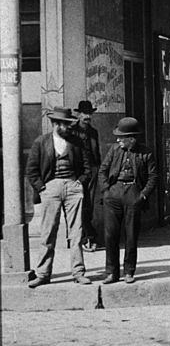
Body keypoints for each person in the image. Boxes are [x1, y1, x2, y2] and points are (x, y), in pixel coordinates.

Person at [25, 106, 93, 287]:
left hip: (73, 187)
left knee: (76, 232)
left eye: (69, 124)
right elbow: (31, 171)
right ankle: (43, 273)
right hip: (50, 188)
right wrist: (42, 188)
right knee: (48, 232)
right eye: (65, 124)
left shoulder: (77, 142)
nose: (68, 127)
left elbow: (88, 168)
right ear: (55, 124)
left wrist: (79, 183)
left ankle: (78, 272)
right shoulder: (41, 142)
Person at [99, 117, 157, 284]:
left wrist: (143, 195)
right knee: (110, 235)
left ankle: (129, 271)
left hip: (133, 194)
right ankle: (111, 272)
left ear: (131, 138)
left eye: (121, 137)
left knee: (131, 235)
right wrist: (106, 191)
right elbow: (102, 171)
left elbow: (153, 177)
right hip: (113, 193)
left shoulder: (146, 153)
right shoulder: (114, 150)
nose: (118, 140)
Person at [71, 100, 101, 252]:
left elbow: (97, 153)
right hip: (78, 172)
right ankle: (85, 236)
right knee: (79, 204)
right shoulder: (72, 131)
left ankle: (87, 236)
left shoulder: (93, 132)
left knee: (89, 205)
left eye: (89, 113)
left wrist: (98, 170)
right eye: (84, 113)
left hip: (92, 171)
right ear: (78, 114)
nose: (87, 116)